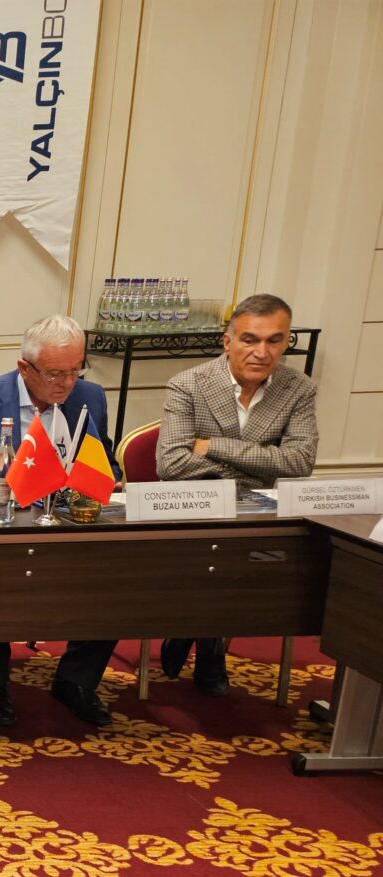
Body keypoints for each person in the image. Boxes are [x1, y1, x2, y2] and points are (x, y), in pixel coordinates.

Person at [0, 314, 120, 727]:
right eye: (55, 373)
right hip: (0, 529)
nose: (67, 383)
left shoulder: (90, 397)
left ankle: (77, 681)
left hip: (69, 524)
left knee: (117, 570)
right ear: (24, 367)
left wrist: (107, 480)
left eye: (76, 370)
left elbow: (104, 460)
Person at [155, 293, 317, 695]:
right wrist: (260, 464)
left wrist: (214, 446)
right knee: (215, 552)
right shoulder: (188, 384)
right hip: (196, 511)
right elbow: (171, 464)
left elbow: (300, 462)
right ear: (227, 342)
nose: (262, 352)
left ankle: (192, 631)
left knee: (259, 558)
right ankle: (210, 645)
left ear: (286, 342)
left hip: (258, 515)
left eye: (274, 340)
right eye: (250, 340)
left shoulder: (298, 389)